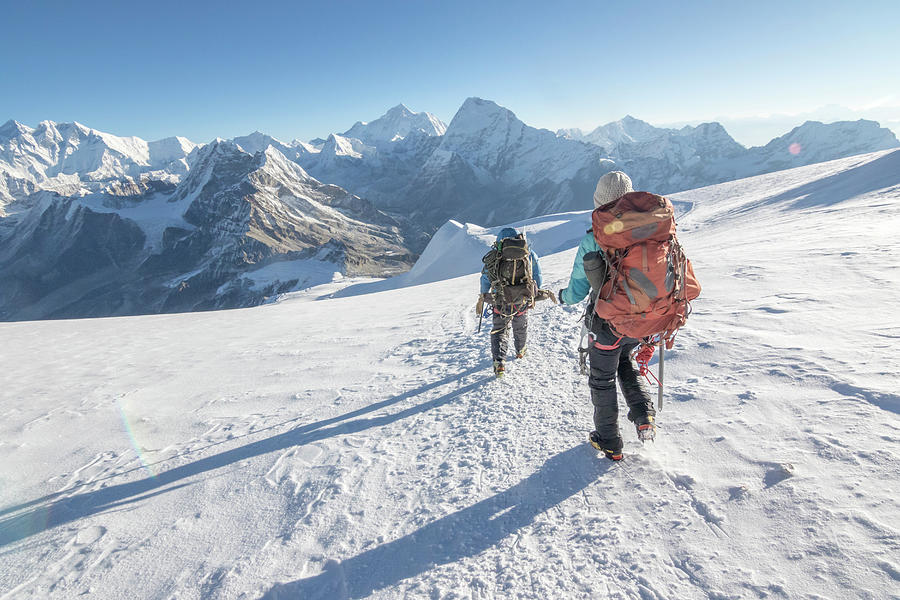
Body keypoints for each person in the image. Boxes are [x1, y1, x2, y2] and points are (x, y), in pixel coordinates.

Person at [558, 171, 655, 461]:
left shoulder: (595, 238)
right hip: (642, 320)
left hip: (608, 323)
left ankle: (609, 441)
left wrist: (563, 296)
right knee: (625, 362)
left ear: (598, 202)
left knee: (602, 378)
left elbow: (577, 290)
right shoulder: (651, 229)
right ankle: (643, 415)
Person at [480, 227, 543, 377]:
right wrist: (534, 292)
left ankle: (499, 362)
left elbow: (485, 279)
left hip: (500, 301)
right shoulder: (528, 254)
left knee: (500, 330)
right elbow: (537, 276)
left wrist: (485, 296)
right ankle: (520, 351)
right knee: (520, 326)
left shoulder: (494, 257)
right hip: (522, 299)